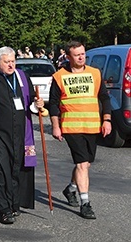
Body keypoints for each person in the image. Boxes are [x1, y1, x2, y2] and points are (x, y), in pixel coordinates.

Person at [0, 47, 43, 224]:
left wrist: (38, 104)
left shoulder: (22, 77)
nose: (11, 65)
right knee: (0, 170)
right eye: (7, 62)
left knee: (16, 169)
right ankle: (4, 209)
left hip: (21, 133)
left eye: (13, 61)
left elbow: (30, 104)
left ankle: (15, 203)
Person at [47, 41, 112, 220]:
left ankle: (71, 189)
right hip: (71, 127)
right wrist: (55, 126)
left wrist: (107, 120)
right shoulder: (59, 76)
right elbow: (53, 104)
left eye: (83, 54)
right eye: (77, 55)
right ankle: (85, 204)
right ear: (68, 57)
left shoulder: (95, 73)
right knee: (82, 164)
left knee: (85, 163)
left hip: (92, 126)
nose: (81, 57)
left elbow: (105, 99)